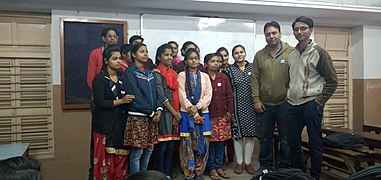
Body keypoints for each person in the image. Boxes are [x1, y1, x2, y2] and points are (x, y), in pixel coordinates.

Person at [286, 16, 338, 180]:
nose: (299, 32)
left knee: (315, 142)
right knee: (292, 142)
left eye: (303, 28)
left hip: (311, 103)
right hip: (292, 104)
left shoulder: (319, 52)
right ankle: (298, 173)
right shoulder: (292, 55)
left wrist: (318, 102)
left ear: (311, 30)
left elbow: (332, 81)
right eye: (296, 29)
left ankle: (315, 176)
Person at [249, 21, 294, 178]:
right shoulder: (260, 55)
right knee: (265, 138)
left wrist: (292, 97)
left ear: (280, 33)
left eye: (274, 33)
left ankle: (285, 167)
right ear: (265, 36)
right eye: (268, 34)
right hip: (265, 104)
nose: (271, 36)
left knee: (286, 138)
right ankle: (265, 166)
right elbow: (254, 79)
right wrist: (256, 99)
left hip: (285, 104)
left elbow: (296, 77)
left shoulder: (292, 52)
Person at [91, 44, 133, 179]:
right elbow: (100, 102)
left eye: (120, 58)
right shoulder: (99, 79)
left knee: (121, 160)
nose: (119, 61)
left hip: (121, 124)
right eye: (115, 58)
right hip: (105, 125)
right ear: (106, 60)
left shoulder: (123, 78)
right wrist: (121, 101)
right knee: (105, 162)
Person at [122, 43, 163, 174]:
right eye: (141, 51)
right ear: (134, 55)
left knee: (149, 149)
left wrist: (159, 109)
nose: (145, 54)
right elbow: (135, 96)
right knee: (137, 151)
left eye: (146, 51)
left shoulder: (150, 73)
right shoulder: (130, 72)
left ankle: (144, 175)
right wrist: (151, 112)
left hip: (151, 116)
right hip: (138, 116)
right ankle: (136, 177)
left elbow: (156, 94)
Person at [86, 26, 119, 180]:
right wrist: (104, 91)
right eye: (110, 36)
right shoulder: (95, 53)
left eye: (115, 36)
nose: (113, 38)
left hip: (117, 110)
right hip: (101, 103)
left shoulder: (119, 59)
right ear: (103, 39)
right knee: (99, 149)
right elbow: (91, 78)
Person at [178, 48, 212, 180]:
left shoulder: (205, 76)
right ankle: (189, 172)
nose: (194, 60)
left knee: (203, 142)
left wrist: (197, 107)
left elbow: (209, 95)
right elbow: (181, 94)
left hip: (203, 112)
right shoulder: (181, 75)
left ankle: (199, 171)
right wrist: (190, 108)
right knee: (187, 143)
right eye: (191, 58)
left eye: (196, 58)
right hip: (186, 113)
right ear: (186, 61)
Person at [225, 45, 258, 175]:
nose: (239, 55)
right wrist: (230, 109)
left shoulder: (253, 67)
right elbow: (228, 91)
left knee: (250, 135)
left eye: (241, 52)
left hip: (252, 106)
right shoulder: (229, 70)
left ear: (245, 53)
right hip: (236, 107)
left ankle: (248, 163)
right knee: (237, 135)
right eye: (236, 53)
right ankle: (239, 162)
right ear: (233, 56)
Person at [153, 43, 182, 179]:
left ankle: (168, 174)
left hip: (175, 113)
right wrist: (174, 113)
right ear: (159, 57)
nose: (169, 57)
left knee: (171, 146)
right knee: (162, 146)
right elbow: (161, 95)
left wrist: (177, 113)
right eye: (166, 55)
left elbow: (177, 94)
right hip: (164, 113)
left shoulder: (174, 73)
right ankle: (160, 174)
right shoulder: (156, 73)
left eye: (171, 55)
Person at [205, 53, 234, 180]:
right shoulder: (203, 77)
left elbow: (229, 95)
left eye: (218, 61)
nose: (216, 63)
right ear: (206, 64)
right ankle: (211, 168)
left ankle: (219, 166)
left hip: (223, 116)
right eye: (212, 61)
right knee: (211, 143)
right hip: (208, 116)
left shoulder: (223, 77)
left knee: (221, 143)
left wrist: (229, 111)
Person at [216, 47, 235, 164]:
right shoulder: (215, 72)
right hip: (219, 107)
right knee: (220, 135)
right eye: (221, 56)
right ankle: (221, 158)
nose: (224, 58)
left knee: (231, 134)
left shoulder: (233, 69)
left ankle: (231, 157)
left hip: (231, 104)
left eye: (226, 55)